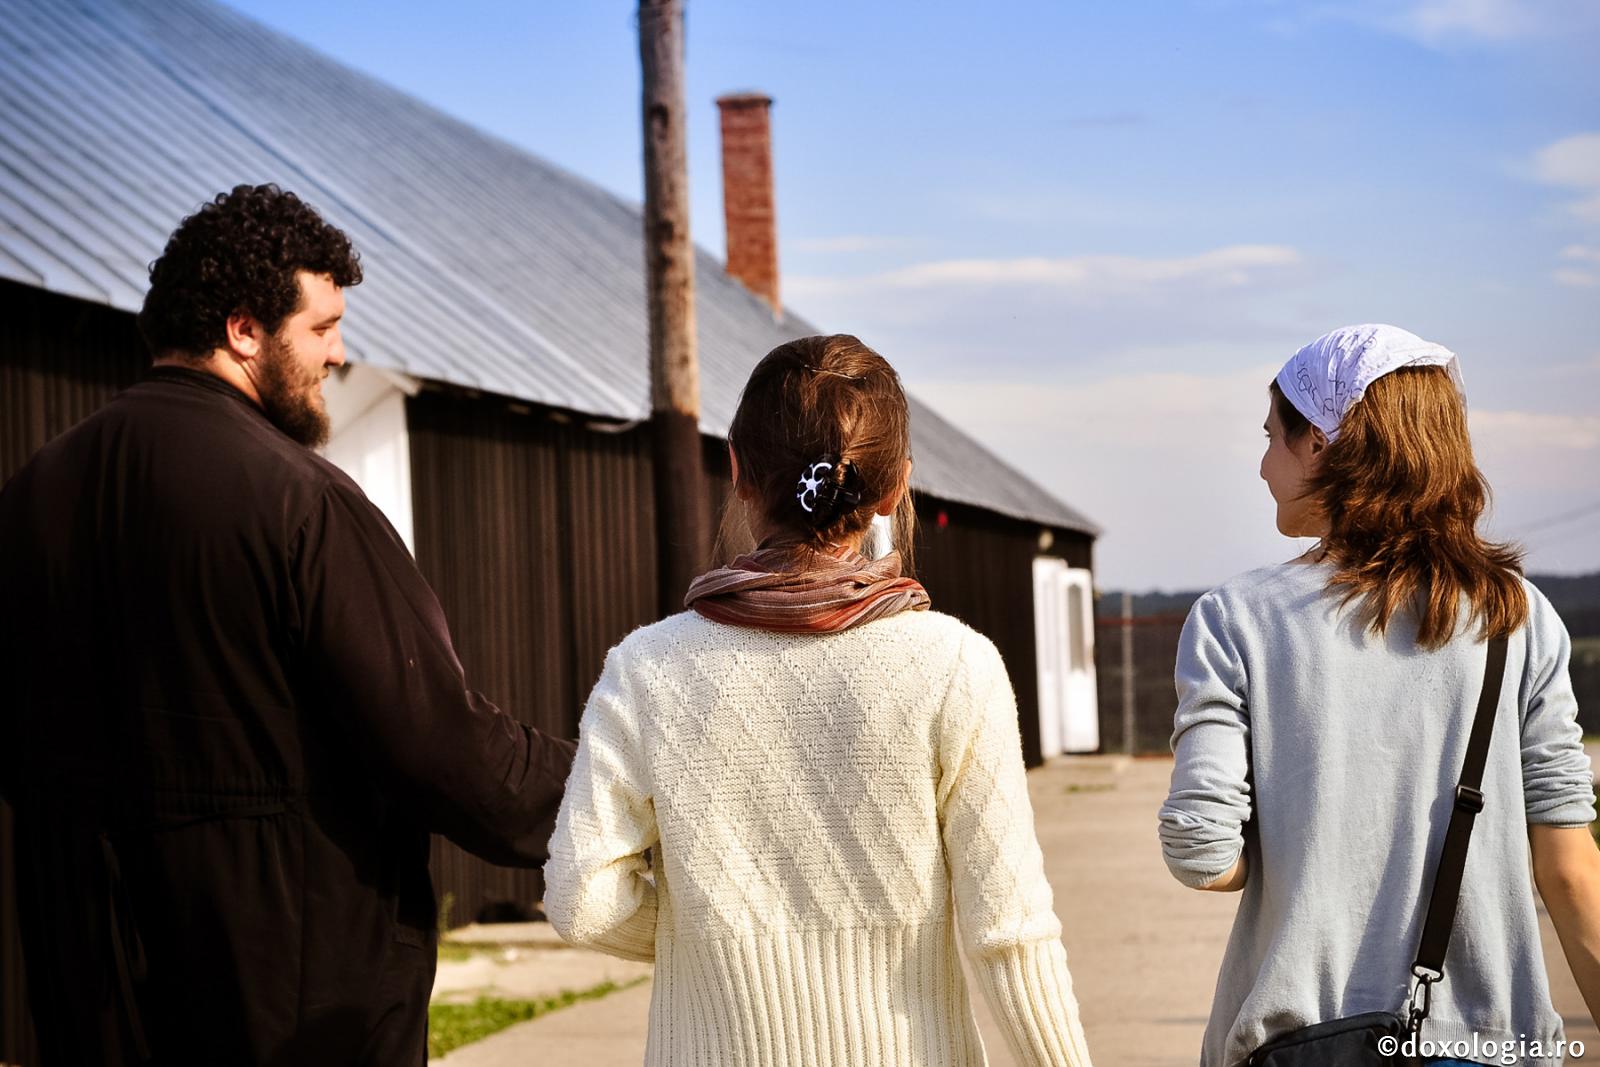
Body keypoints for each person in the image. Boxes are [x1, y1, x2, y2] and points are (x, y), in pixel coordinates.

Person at [0, 184, 575, 1066]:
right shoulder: (301, 504)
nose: (341, 354)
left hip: (92, 1002)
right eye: (321, 327)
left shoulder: (31, 496)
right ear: (243, 330)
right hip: (294, 1007)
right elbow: (444, 745)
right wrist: (610, 781)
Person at [544, 334, 1095, 1066]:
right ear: (897, 487)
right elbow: (1011, 934)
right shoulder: (955, 665)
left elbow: (581, 896)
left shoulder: (646, 668)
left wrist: (706, 931)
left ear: (737, 471)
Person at [1158, 324, 1600, 1067]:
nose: (1263, 465)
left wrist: (1305, 843)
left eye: (1272, 436)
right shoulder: (1518, 618)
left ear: (1321, 446)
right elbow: (1568, 867)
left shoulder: (1234, 619)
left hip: (1300, 1043)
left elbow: (1203, 851)